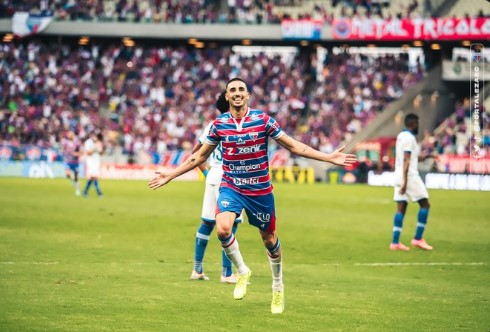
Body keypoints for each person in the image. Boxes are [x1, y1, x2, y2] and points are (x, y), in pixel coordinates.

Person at [149, 78, 357, 314]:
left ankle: (277, 287)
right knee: (223, 229)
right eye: (232, 91)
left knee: (269, 240)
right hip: (231, 185)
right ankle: (242, 270)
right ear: (227, 96)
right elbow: (198, 157)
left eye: (241, 90)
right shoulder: (219, 125)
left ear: (247, 95)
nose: (237, 94)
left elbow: (295, 146)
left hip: (259, 190)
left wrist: (328, 157)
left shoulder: (263, 120)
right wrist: (171, 175)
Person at [191, 91, 243, 284]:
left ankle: (197, 270)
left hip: (213, 174)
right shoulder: (237, 124)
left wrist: (206, 173)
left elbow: (196, 153)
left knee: (207, 223)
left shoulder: (212, 124)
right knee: (230, 225)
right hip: (230, 177)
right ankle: (227, 273)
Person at [390, 113, 434, 251]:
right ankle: (418, 238)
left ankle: (395, 243)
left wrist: (428, 155)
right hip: (408, 176)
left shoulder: (401, 136)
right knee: (425, 204)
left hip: (398, 174)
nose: (418, 126)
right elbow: (407, 160)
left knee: (401, 207)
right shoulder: (409, 138)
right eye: (417, 123)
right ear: (412, 123)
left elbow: (412, 158)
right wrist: (405, 181)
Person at [82, 132, 104, 198]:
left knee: (93, 177)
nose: (98, 139)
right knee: (94, 177)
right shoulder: (88, 142)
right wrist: (95, 147)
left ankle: (85, 192)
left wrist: (101, 149)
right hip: (90, 161)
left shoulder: (99, 143)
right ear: (94, 136)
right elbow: (88, 153)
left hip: (96, 161)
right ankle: (99, 193)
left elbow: (101, 153)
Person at [61, 130, 82, 196]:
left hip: (75, 162)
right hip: (68, 161)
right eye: (68, 134)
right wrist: (63, 151)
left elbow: (81, 152)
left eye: (70, 134)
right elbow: (63, 149)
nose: (69, 135)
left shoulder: (77, 143)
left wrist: (76, 154)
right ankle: (72, 179)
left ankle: (78, 190)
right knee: (67, 174)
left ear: (73, 135)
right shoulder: (65, 142)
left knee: (76, 177)